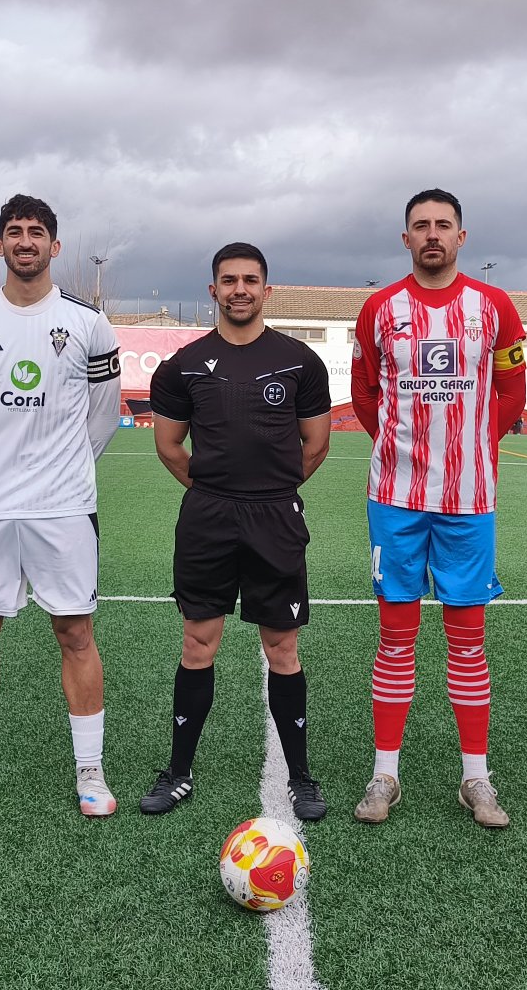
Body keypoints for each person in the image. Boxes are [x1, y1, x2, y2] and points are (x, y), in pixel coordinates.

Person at [0, 194, 122, 819]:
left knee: (75, 631)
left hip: (63, 504)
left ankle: (90, 770)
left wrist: (64, 467)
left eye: (36, 232)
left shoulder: (88, 323)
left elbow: (103, 415)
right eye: (14, 231)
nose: (25, 241)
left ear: (54, 246)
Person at [350, 188, 527, 828]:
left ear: (461, 237)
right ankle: (385, 775)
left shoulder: (494, 307)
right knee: (396, 639)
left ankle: (476, 779)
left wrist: (469, 448)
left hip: (469, 500)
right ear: (406, 239)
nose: (432, 234)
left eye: (443, 225)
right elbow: (365, 395)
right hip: (395, 499)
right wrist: (408, 448)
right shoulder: (379, 308)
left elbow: (512, 393)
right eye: (420, 225)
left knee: (468, 642)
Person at [138, 242, 333, 822]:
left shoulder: (300, 361)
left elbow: (316, 444)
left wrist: (270, 490)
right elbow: (169, 446)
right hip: (209, 519)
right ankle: (178, 771)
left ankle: (300, 776)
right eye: (229, 280)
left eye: (250, 280)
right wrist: (213, 492)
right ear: (213, 290)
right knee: (198, 643)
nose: (239, 289)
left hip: (275, 517)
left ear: (266, 290)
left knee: (283, 647)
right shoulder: (184, 365)